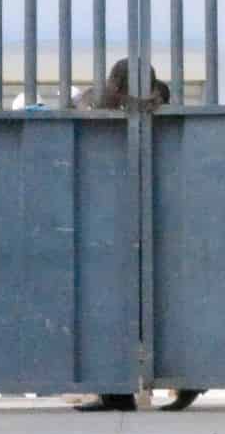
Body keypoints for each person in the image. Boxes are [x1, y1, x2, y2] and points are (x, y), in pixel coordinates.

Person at [74, 60, 201, 414]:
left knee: (148, 307)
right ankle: (120, 392)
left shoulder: (162, 109)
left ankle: (180, 381)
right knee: (131, 308)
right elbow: (81, 103)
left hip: (141, 221)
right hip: (128, 222)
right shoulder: (101, 111)